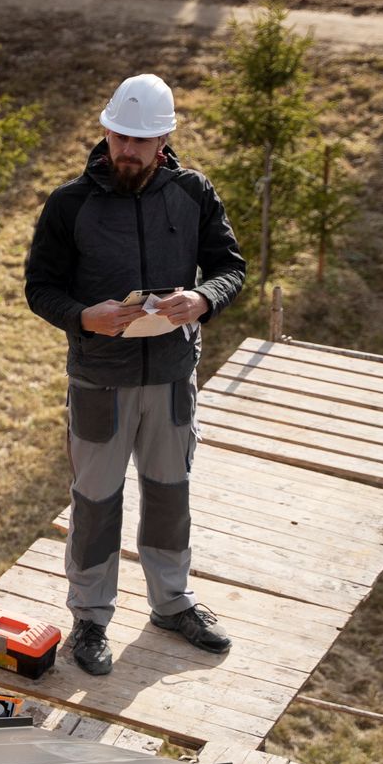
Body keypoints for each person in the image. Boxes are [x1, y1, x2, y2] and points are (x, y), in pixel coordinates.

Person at [22, 72, 245, 676]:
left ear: (164, 140)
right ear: (105, 129)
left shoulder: (194, 193)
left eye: (139, 141)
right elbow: (39, 289)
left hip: (172, 377)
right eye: (119, 135)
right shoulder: (71, 204)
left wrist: (203, 299)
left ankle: (172, 604)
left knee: (171, 495)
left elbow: (230, 268)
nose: (126, 150)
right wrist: (82, 318)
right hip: (100, 382)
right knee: (95, 502)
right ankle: (90, 618)